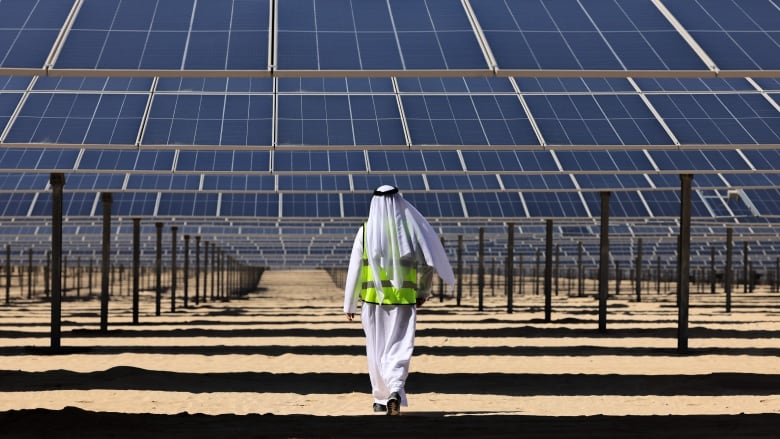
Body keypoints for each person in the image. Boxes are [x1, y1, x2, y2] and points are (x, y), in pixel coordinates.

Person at [343, 185, 454, 416]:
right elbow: (426, 265)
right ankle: (395, 389)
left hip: (373, 302)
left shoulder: (365, 231)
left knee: (376, 349)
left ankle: (381, 398)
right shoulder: (411, 232)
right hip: (404, 301)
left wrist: (349, 303)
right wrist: (423, 293)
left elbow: (354, 270)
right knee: (400, 347)